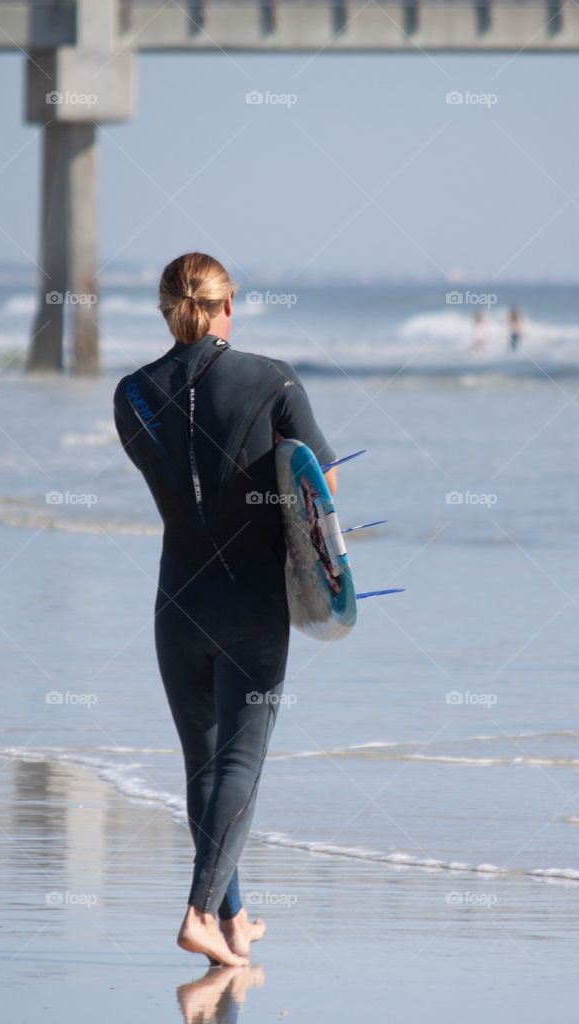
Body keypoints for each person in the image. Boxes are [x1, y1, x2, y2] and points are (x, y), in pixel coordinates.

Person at [113, 252, 336, 967]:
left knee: (203, 765)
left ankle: (233, 923)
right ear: (228, 304)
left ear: (168, 309)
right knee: (240, 760)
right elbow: (318, 488)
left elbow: (178, 478)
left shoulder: (130, 393)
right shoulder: (272, 379)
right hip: (250, 598)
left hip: (176, 598)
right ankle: (200, 911)